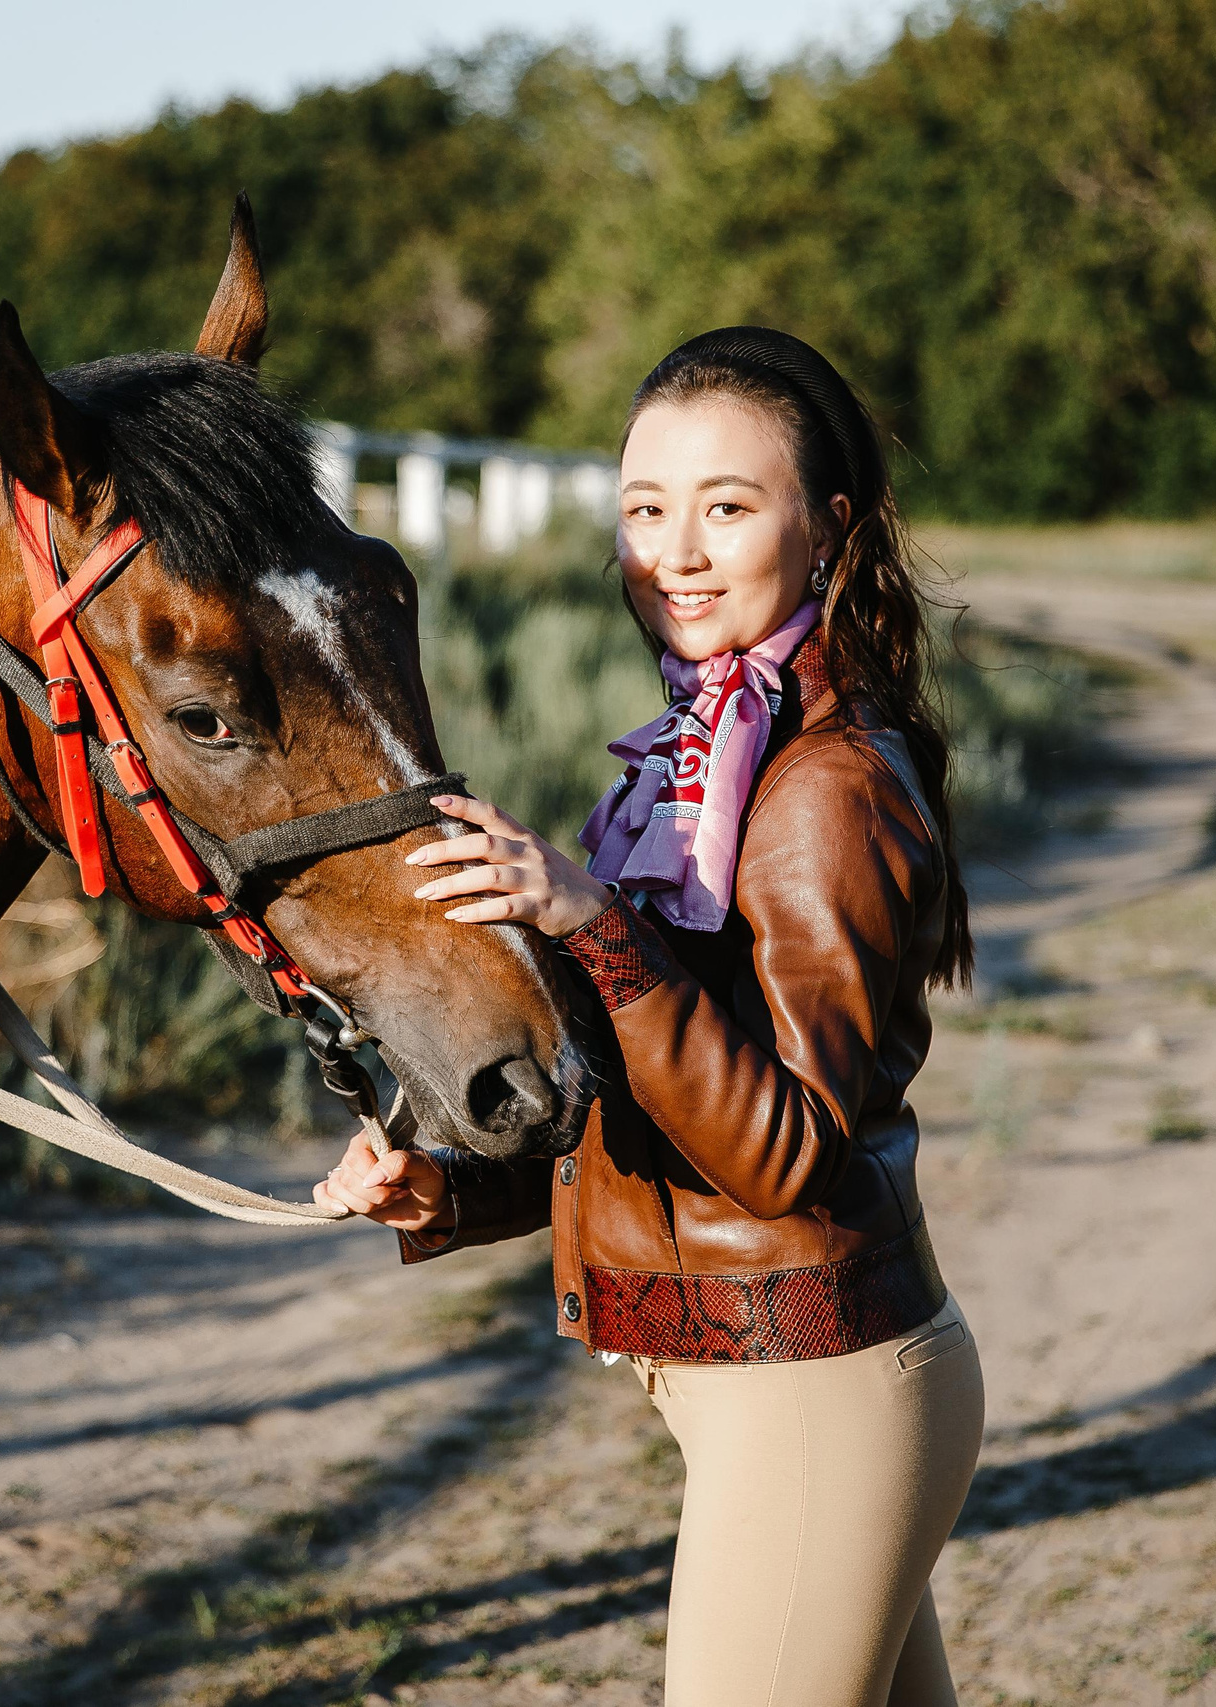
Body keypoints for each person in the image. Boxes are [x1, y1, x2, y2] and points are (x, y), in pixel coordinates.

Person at [316, 327, 984, 1706]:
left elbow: (787, 1148)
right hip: (788, 1386)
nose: (674, 551)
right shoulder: (699, 761)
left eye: (727, 507)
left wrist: (587, 921)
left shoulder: (821, 792)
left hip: (814, 1399)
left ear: (829, 528)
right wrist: (454, 1187)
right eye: (644, 509)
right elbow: (671, 1088)